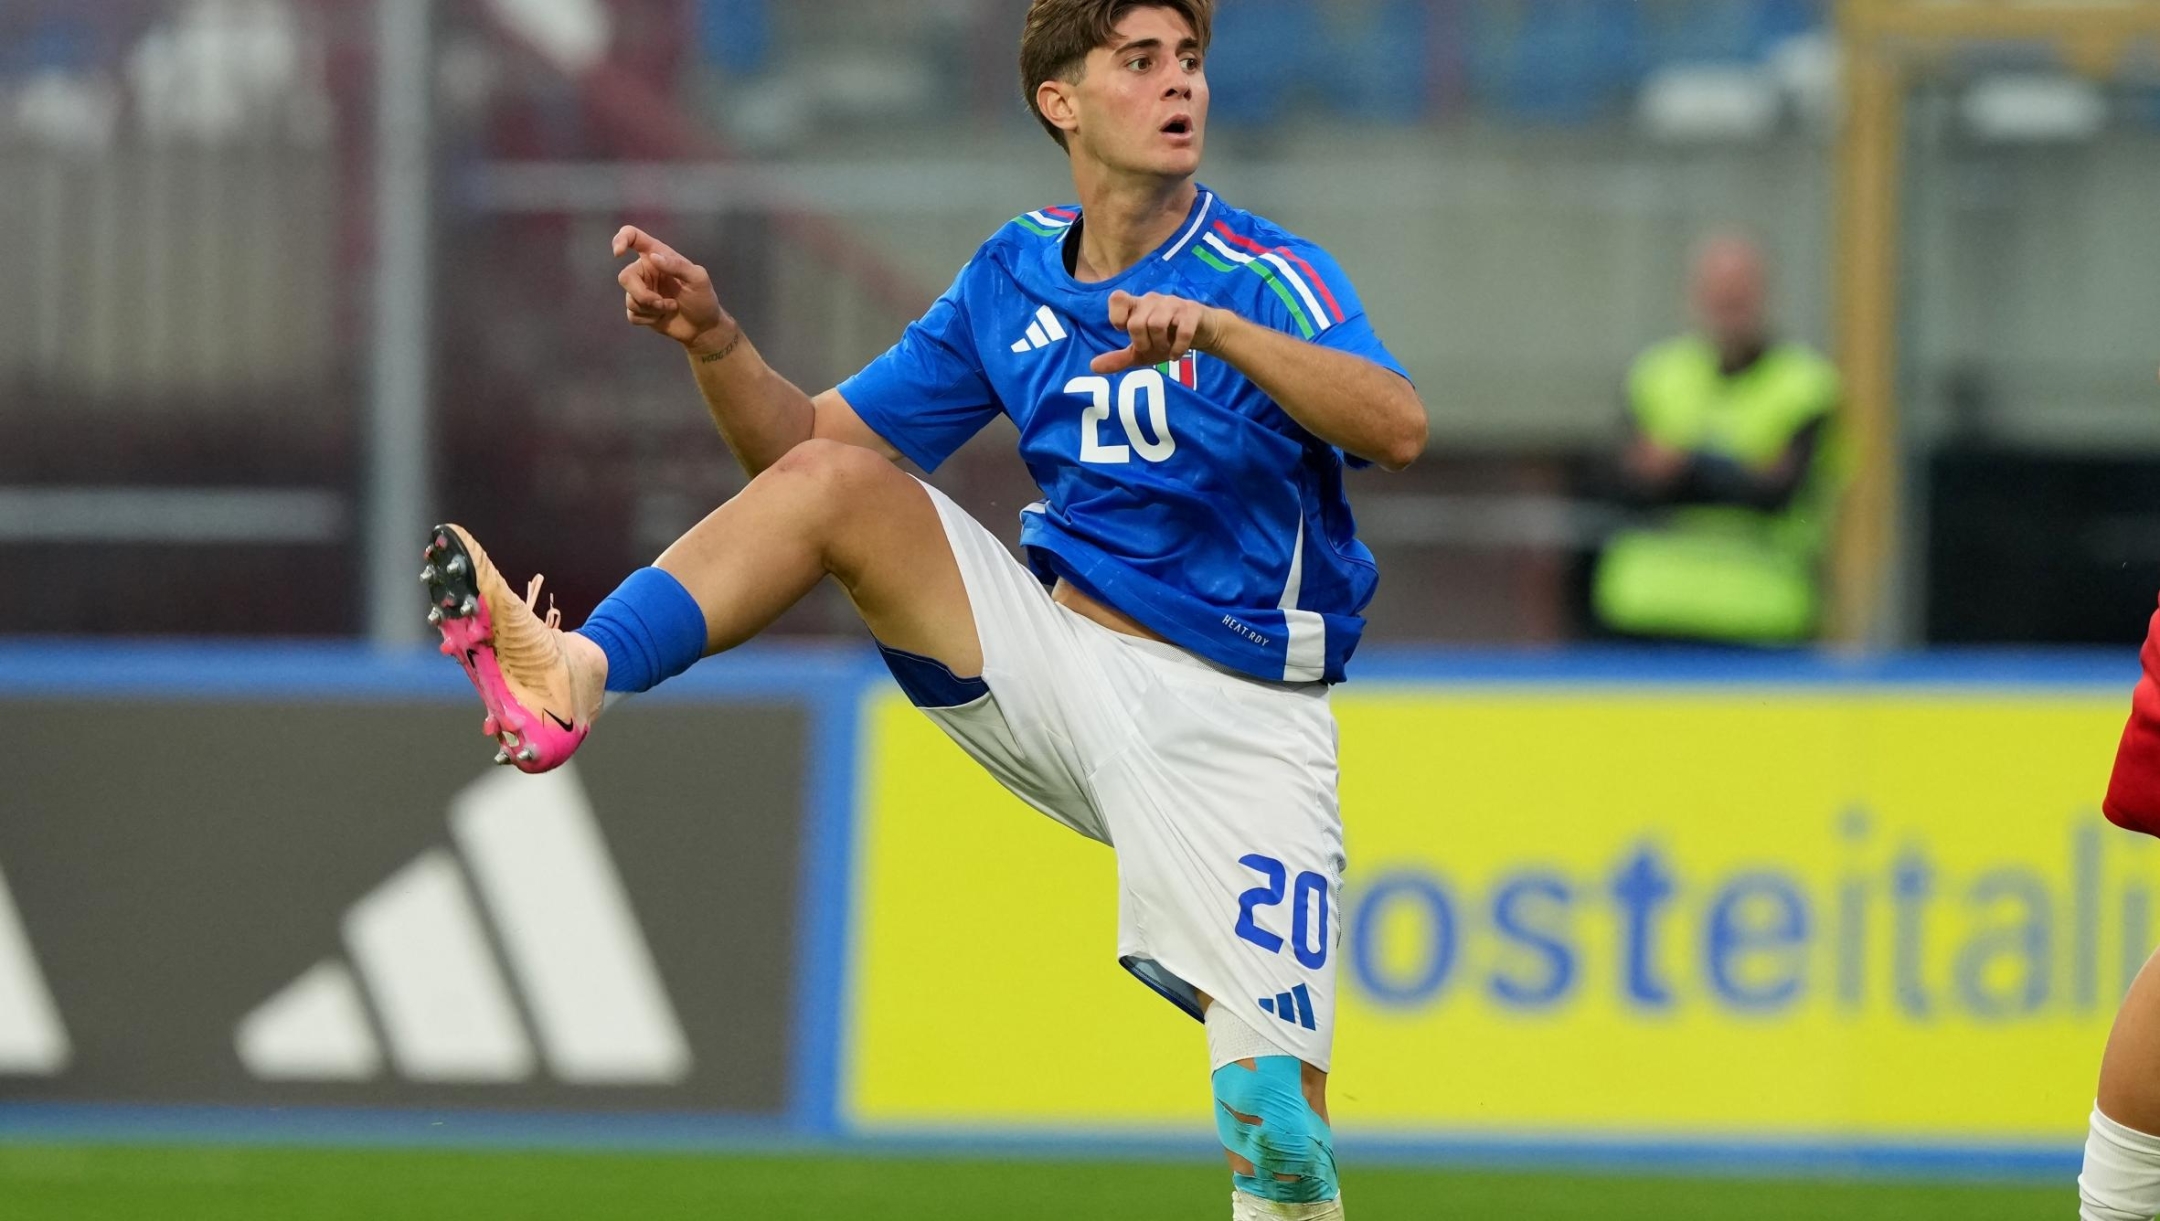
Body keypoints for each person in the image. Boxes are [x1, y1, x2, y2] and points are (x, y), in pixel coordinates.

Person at [418, 2, 1426, 1216]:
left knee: (1278, 1140)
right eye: (1143, 62)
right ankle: (576, 669)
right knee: (844, 484)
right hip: (1063, 662)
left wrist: (1223, 334)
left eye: (1193, 63)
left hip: (1246, 723)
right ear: (1062, 100)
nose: (1182, 88)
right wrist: (717, 341)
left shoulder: (1262, 275)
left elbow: (1397, 426)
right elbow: (800, 456)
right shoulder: (1014, 275)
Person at [1591, 234, 1844, 645]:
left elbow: (1779, 493)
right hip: (1649, 610)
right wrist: (1740, 469)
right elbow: (1622, 481)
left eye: (1738, 296)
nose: (1727, 309)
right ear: (1693, 296)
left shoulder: (1805, 385)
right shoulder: (1657, 374)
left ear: (1765, 296)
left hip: (1761, 615)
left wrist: (1685, 465)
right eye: (1717, 295)